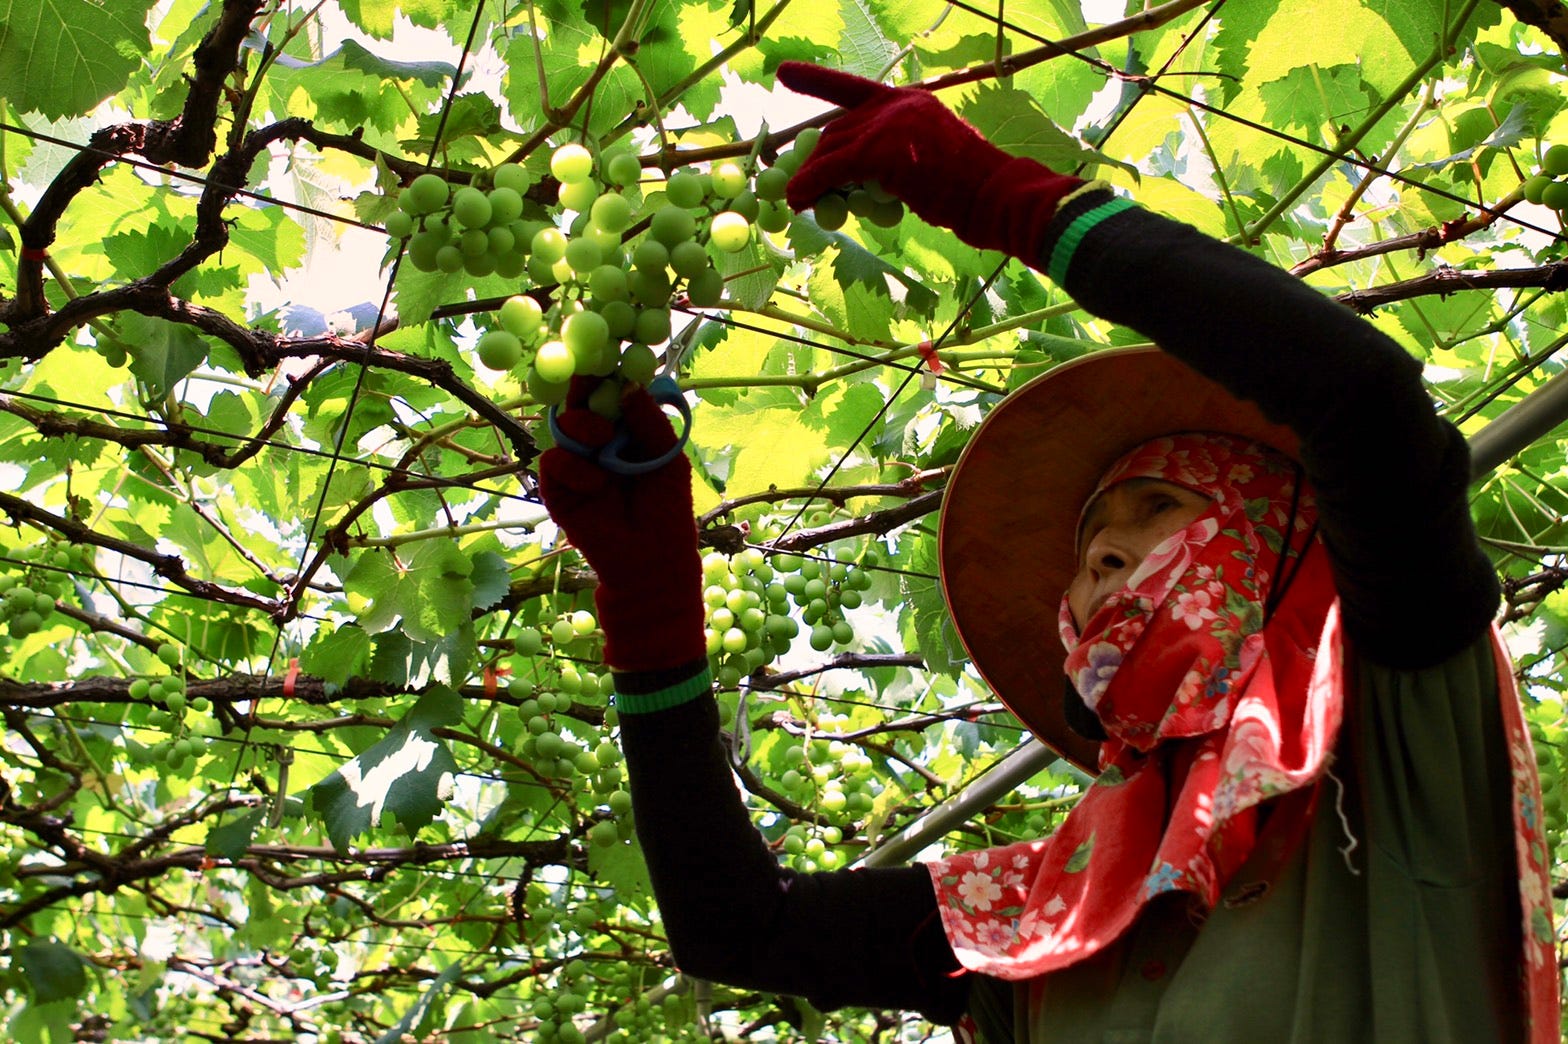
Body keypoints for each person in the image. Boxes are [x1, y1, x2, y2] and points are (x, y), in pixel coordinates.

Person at [537, 62, 1559, 1042]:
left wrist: (1007, 200)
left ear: (1275, 546)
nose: (1100, 557)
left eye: (1156, 505)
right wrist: (652, 613)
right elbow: (735, 925)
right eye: (1083, 548)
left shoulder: (1394, 729)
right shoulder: (1036, 920)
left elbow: (1364, 402)